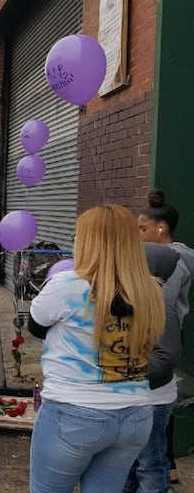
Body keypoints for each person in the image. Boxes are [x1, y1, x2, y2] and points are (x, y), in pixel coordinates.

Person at [28, 204, 165, 493]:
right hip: (135, 415)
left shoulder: (66, 284)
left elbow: (36, 325)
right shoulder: (150, 289)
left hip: (73, 411)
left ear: (87, 241)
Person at [138, 188, 194, 485]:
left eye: (142, 228)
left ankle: (164, 465)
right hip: (165, 332)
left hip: (161, 333)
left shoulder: (173, 261)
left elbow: (163, 303)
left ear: (161, 229)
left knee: (159, 403)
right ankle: (166, 465)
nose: (139, 234)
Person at [123, 243, 189, 493]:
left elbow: (168, 354)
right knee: (129, 460)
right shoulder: (133, 298)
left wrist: (129, 371)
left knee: (150, 462)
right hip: (135, 395)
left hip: (154, 399)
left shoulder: (159, 303)